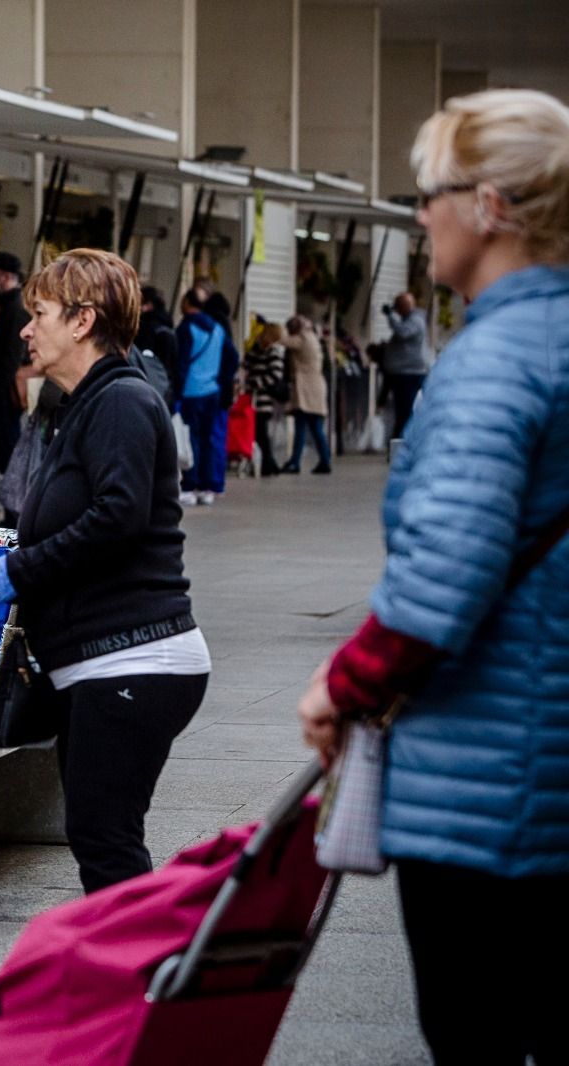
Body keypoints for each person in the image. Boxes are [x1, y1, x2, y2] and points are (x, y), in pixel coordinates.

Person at [297, 88, 569, 1066]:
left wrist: (344, 683)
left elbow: (443, 570)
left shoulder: (496, 354)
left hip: (493, 780)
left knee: (476, 1033)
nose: (420, 215)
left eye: (431, 193)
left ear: (490, 205)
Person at [0, 248, 209, 894]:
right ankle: (133, 980)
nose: (24, 327)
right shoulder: (84, 404)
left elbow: (118, 518)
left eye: (37, 313)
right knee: (99, 835)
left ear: (82, 321)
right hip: (105, 663)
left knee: (106, 840)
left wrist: (19, 570)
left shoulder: (121, 401)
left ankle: (140, 983)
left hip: (133, 662)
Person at [174, 288, 239, 505]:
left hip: (191, 392)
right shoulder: (218, 329)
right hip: (212, 391)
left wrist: (176, 390)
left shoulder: (186, 327)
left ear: (187, 303)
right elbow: (233, 356)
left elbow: (180, 362)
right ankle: (208, 486)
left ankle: (190, 484)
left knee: (190, 438)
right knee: (209, 438)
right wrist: (220, 379)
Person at [0, 251, 32, 523]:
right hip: (4, 397)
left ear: (6, 277)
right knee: (8, 455)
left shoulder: (14, 311)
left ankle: (14, 515)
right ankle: (12, 514)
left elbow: (10, 359)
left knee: (10, 456)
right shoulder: (11, 308)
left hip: (6, 398)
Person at [280, 315, 330, 473]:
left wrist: (268, 327)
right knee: (317, 428)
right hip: (317, 386)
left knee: (301, 427)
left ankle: (295, 462)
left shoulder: (302, 339)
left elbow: (282, 340)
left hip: (306, 389)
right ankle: (325, 460)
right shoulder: (313, 337)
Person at [380, 291, 431, 440]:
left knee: (405, 412)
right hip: (402, 372)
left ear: (404, 306)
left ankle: (401, 444)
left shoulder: (415, 320)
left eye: (397, 306)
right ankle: (399, 444)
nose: (396, 310)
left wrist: (390, 316)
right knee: (402, 412)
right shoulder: (408, 319)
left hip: (410, 373)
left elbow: (403, 332)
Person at [241, 323, 288, 477]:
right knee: (259, 433)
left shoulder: (275, 353)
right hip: (252, 399)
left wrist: (256, 382)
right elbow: (246, 365)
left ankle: (268, 464)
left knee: (261, 433)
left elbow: (275, 376)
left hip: (264, 401)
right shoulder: (256, 350)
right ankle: (271, 464)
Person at [135, 286, 180, 404]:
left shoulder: (144, 328)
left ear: (148, 305)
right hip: (164, 391)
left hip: (143, 388)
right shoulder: (169, 329)